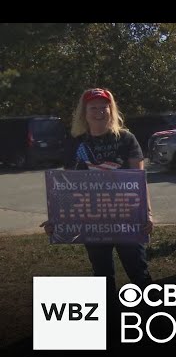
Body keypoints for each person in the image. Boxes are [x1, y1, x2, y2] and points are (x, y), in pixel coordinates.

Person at [41, 88, 153, 342]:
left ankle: (150, 323)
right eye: (94, 107)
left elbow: (139, 181)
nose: (100, 111)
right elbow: (66, 186)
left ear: (111, 110)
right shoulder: (75, 143)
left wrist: (147, 214)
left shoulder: (126, 139)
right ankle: (110, 327)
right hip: (92, 221)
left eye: (105, 106)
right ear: (85, 112)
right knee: (102, 275)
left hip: (126, 218)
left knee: (139, 272)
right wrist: (56, 219)